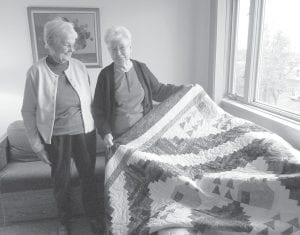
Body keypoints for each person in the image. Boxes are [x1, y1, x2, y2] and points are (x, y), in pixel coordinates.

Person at [21, 17, 103, 235]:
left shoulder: (79, 67)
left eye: (73, 43)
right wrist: (36, 145)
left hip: (84, 133)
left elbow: (90, 103)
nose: (72, 48)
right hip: (56, 136)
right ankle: (64, 221)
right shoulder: (35, 72)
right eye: (68, 43)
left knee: (88, 177)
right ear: (52, 41)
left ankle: (94, 217)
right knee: (62, 181)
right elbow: (27, 111)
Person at [93, 26, 184, 148]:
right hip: (118, 137)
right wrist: (105, 133)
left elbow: (158, 90)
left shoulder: (141, 68)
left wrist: (183, 89)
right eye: (113, 49)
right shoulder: (105, 75)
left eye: (122, 48)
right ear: (109, 51)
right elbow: (98, 109)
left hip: (143, 133)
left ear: (130, 48)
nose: (118, 53)